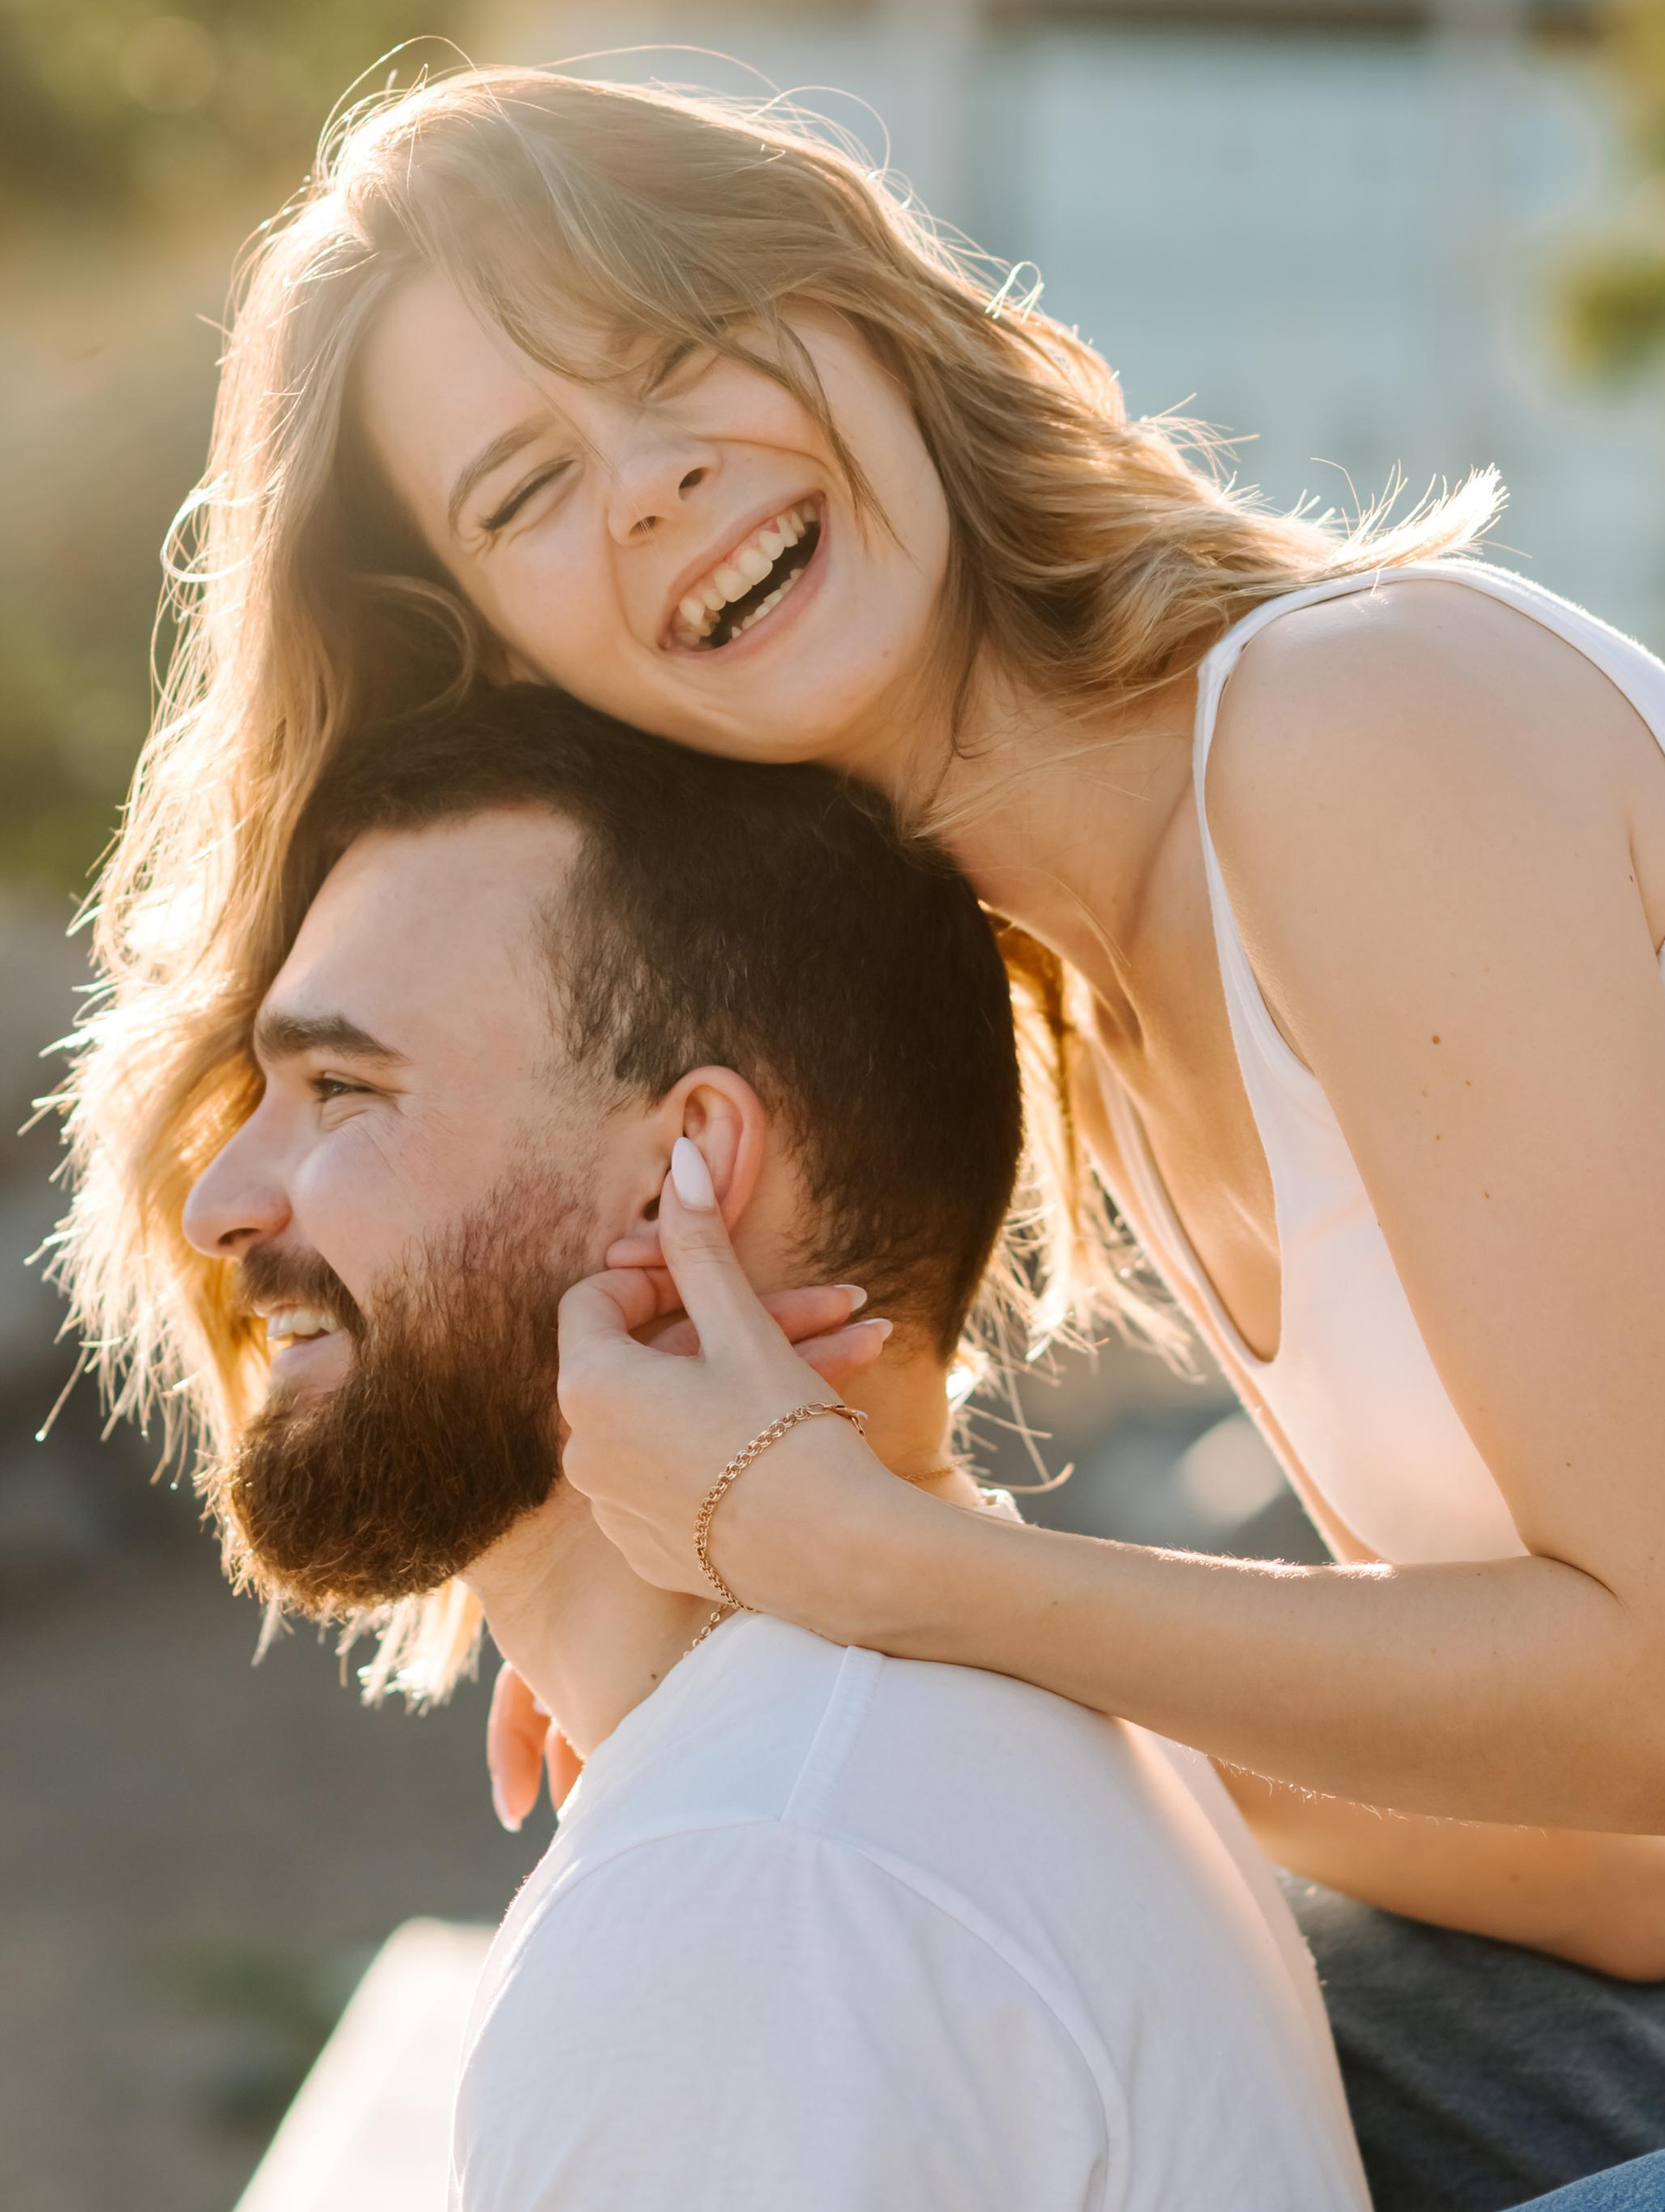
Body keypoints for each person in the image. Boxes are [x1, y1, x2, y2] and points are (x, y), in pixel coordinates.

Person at [61, 66, 1665, 2204]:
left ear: (861, 318)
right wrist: (811, 1642)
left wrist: (883, 1558)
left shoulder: (1347, 730)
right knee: (1143, 2014)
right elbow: (1612, 1879)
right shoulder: (1117, 1005)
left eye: (680, 346)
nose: (645, 480)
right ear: (499, 644)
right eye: (525, 487)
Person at [175, 685, 1374, 2210]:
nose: (219, 1199)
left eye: (343, 1088)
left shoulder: (757, 1887)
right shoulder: (974, 1754)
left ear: (686, 1175)